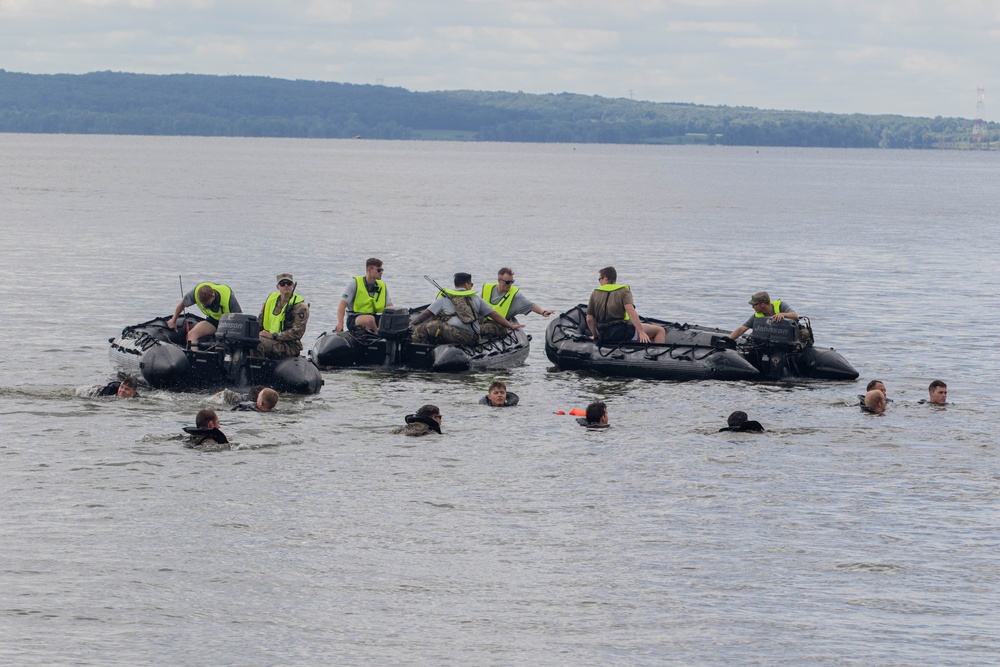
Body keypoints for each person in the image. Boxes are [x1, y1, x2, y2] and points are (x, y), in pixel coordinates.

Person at [410, 273, 524, 345]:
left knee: (426, 327)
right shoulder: (475, 298)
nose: (471, 286)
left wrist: (411, 324)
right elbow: (494, 315)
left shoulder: (443, 298)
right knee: (488, 323)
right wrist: (511, 326)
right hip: (473, 336)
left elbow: (426, 314)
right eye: (471, 283)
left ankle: (422, 349)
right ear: (466, 284)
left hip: (456, 335)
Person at [585, 266, 665, 345]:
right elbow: (630, 310)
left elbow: (589, 319)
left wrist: (596, 336)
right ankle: (659, 355)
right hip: (621, 333)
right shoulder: (624, 291)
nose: (599, 282)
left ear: (605, 278)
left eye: (599, 279)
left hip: (604, 334)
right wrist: (641, 332)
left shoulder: (594, 293)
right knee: (659, 330)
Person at [478, 267, 556, 337]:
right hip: (483, 319)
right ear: (499, 281)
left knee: (478, 329)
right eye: (507, 282)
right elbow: (477, 304)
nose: (510, 284)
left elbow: (531, 305)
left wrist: (543, 312)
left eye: (512, 282)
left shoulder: (515, 295)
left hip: (500, 324)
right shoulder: (488, 288)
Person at [168, 281, 242, 346]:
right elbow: (182, 303)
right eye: (203, 305)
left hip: (229, 324)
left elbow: (239, 319)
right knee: (192, 334)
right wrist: (173, 320)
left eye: (207, 305)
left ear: (213, 295)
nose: (205, 307)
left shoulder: (228, 297)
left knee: (222, 343)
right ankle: (194, 358)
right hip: (213, 321)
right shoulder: (196, 292)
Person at [255, 272, 309, 358]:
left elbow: (297, 332)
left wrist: (274, 336)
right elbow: (259, 322)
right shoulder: (271, 301)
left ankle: (258, 369)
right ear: (278, 287)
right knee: (249, 342)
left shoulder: (300, 306)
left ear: (292, 285)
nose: (286, 286)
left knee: (258, 343)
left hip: (289, 345)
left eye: (289, 283)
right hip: (270, 340)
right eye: (282, 284)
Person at [336, 258, 393, 333]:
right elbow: (342, 304)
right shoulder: (354, 283)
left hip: (374, 316)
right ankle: (378, 337)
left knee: (388, 318)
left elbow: (390, 306)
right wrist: (340, 323)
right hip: (355, 318)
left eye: (382, 270)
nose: (381, 272)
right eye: (379, 270)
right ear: (369, 270)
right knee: (369, 319)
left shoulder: (382, 286)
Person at [729, 291, 798, 340]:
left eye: (754, 305)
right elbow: (742, 329)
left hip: (791, 335)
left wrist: (783, 314)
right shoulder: (757, 315)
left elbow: (795, 316)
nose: (752, 307)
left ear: (762, 304)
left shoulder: (781, 305)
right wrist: (728, 339)